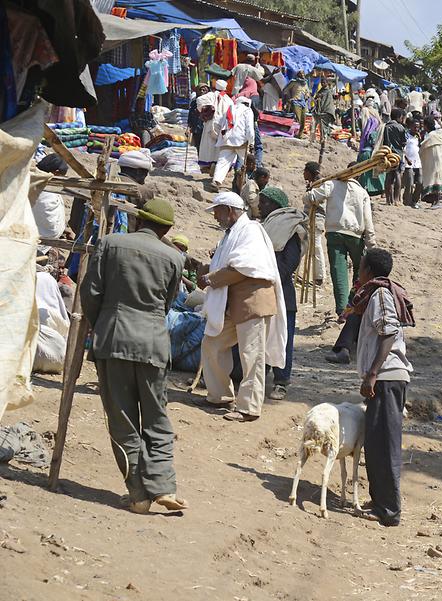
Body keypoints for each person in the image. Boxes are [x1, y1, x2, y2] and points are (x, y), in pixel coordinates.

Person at [80, 198, 188, 514]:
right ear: (167, 229)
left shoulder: (110, 244)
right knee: (157, 416)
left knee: (123, 418)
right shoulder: (174, 257)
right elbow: (167, 304)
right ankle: (164, 485)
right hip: (154, 343)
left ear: (139, 220)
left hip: (113, 337)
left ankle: (139, 494)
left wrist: (100, 324)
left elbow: (91, 294)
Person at [199, 192, 288, 423]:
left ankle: (248, 407)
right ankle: (220, 395)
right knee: (212, 344)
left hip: (252, 302)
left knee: (252, 356)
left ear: (229, 210)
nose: (216, 216)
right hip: (232, 302)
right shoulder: (232, 234)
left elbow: (243, 267)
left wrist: (210, 279)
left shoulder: (250, 231)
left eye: (218, 211)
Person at [354, 248, 414, 526]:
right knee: (376, 444)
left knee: (385, 445)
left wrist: (373, 374)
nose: (358, 271)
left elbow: (389, 332)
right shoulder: (376, 294)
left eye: (360, 266)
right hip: (386, 377)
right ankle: (380, 502)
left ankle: (389, 510)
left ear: (368, 270)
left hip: (387, 377)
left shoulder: (379, 294)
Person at [302, 162, 375, 315]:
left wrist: (308, 193)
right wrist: (370, 244)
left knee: (338, 272)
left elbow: (312, 197)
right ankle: (353, 305)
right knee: (359, 271)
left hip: (335, 232)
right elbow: (368, 220)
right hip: (356, 235)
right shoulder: (362, 192)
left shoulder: (331, 184)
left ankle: (342, 310)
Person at [258, 186, 305, 401]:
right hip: (262, 292)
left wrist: (268, 272)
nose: (260, 206)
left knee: (283, 339)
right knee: (262, 337)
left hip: (282, 295)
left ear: (277, 206)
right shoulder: (261, 228)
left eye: (265, 202)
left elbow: (289, 265)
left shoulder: (291, 231)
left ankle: (281, 382)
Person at [212, 96, 255, 191]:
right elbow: (249, 128)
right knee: (247, 162)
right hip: (241, 140)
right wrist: (251, 142)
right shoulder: (247, 111)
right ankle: (246, 183)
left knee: (223, 162)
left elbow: (218, 124)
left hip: (226, 138)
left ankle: (216, 181)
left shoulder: (229, 109)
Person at [196, 80, 233, 170]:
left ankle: (209, 165)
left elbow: (199, 100)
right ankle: (215, 164)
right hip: (223, 125)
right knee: (218, 146)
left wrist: (205, 110)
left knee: (209, 145)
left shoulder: (211, 95)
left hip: (211, 123)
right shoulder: (229, 99)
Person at [32, 154, 69, 243]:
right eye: (61, 176)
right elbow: (48, 222)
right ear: (55, 173)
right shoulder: (46, 192)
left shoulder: (35, 181)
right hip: (43, 239)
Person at [419, 116, 442, 206]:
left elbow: (422, 147)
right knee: (439, 179)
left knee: (433, 179)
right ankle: (436, 201)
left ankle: (436, 202)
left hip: (433, 162)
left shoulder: (431, 136)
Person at [382, 108, 408, 206]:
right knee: (397, 175)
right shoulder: (400, 127)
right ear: (399, 117)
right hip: (398, 154)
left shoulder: (386, 127)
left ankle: (389, 200)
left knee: (388, 176)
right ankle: (397, 199)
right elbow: (403, 142)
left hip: (388, 153)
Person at [401, 119, 423, 207]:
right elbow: (403, 149)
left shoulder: (419, 136)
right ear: (410, 126)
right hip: (408, 162)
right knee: (410, 183)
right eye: (415, 127)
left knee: (420, 182)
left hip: (418, 162)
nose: (416, 129)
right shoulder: (406, 135)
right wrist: (406, 159)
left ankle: (415, 200)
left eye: (418, 127)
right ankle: (407, 201)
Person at [284, 75, 311, 140]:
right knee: (298, 119)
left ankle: (300, 134)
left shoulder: (305, 83)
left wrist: (307, 95)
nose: (302, 76)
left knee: (303, 119)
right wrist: (289, 98)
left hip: (303, 102)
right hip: (295, 101)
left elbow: (307, 92)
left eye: (303, 74)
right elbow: (286, 90)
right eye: (301, 74)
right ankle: (295, 133)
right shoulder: (293, 82)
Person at [312, 76, 337, 144]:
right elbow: (316, 98)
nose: (323, 84)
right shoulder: (321, 91)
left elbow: (327, 101)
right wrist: (317, 99)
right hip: (320, 111)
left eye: (324, 82)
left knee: (323, 126)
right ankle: (317, 138)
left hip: (326, 111)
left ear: (327, 83)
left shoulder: (329, 91)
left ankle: (323, 139)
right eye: (322, 83)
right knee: (317, 125)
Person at [188, 83, 210, 151]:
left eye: (204, 90)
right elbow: (190, 116)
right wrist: (188, 127)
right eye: (200, 90)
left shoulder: (210, 102)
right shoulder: (194, 103)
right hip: (197, 129)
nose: (202, 92)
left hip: (207, 129)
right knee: (198, 147)